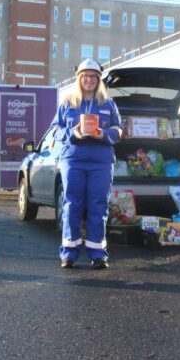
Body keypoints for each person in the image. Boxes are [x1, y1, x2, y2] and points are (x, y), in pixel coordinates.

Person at [53, 58, 122, 269]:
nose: (89, 80)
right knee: (72, 205)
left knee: (98, 207)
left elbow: (118, 131)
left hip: (101, 162)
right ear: (79, 79)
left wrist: (103, 133)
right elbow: (56, 130)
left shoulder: (108, 104)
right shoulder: (67, 103)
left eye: (93, 76)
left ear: (99, 79)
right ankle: (69, 253)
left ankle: (98, 253)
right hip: (73, 160)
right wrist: (73, 132)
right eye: (85, 76)